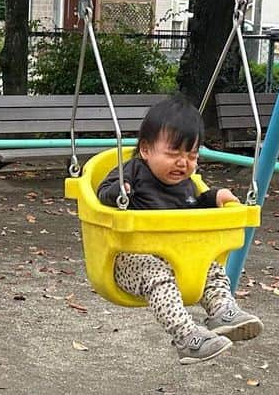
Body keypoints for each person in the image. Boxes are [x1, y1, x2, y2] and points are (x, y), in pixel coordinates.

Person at [98, 95, 262, 363]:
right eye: (173, 153)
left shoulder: (186, 184)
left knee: (211, 266)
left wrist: (213, 197)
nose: (183, 163)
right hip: (131, 260)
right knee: (158, 274)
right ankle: (186, 337)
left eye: (191, 155)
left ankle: (222, 310)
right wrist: (120, 191)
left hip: (179, 259)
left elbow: (194, 206)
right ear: (146, 150)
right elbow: (102, 191)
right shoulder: (133, 171)